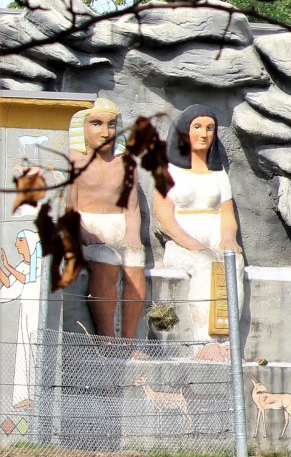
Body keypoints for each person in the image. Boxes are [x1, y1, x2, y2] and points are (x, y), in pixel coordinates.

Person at [152, 104, 241, 342]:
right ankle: (205, 342)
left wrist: (229, 238)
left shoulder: (219, 175)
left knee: (235, 263)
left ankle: (228, 342)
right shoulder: (168, 172)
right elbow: (164, 216)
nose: (204, 134)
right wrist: (190, 243)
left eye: (210, 128)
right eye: (197, 127)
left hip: (215, 237)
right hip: (181, 244)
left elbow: (227, 216)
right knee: (204, 264)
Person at [65, 98, 147, 338]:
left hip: (118, 228)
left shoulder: (126, 163)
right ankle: (107, 339)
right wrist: (83, 232)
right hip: (88, 230)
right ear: (82, 127)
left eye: (111, 125)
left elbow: (131, 208)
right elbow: (69, 208)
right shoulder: (72, 161)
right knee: (105, 259)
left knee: (135, 260)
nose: (105, 132)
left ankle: (129, 341)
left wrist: (132, 233)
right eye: (97, 124)